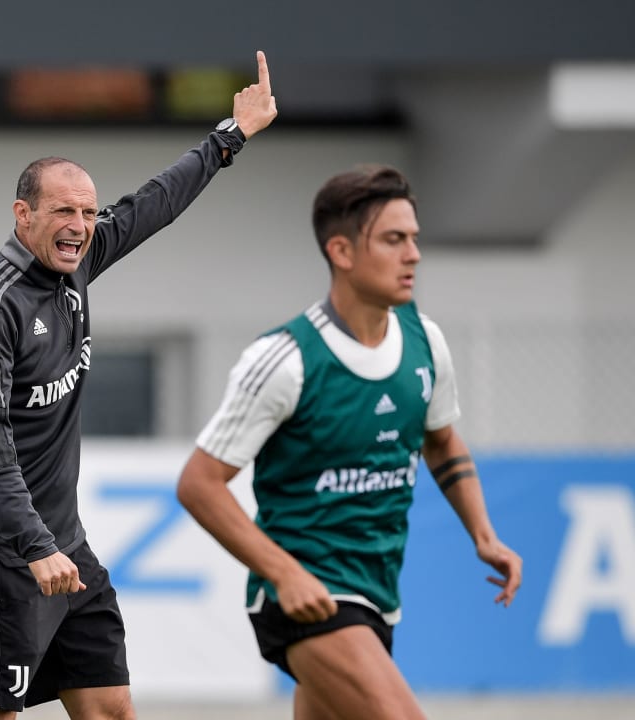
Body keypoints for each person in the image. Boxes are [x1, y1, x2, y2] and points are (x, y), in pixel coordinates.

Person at [0, 51, 277, 720]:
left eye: (88, 213)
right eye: (63, 210)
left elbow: (152, 205)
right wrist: (35, 548)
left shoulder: (77, 263)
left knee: (111, 706)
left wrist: (229, 136)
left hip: (66, 545)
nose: (79, 225)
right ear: (22, 214)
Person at [177, 164, 524, 719]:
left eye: (414, 239)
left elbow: (442, 442)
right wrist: (285, 573)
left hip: (378, 594)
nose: (413, 254)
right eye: (393, 240)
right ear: (341, 251)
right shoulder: (286, 359)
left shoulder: (424, 341)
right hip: (309, 596)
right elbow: (199, 484)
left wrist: (484, 535)